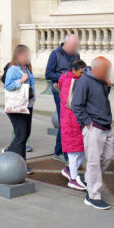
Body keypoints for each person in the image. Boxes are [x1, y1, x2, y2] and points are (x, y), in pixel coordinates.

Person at [72, 56, 114, 210]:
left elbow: (99, 100)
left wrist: (107, 87)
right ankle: (93, 196)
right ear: (95, 69)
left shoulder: (101, 80)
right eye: (105, 71)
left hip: (105, 125)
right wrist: (87, 122)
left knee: (108, 156)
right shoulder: (84, 81)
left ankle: (87, 178)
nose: (108, 73)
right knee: (94, 162)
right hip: (94, 126)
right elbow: (76, 104)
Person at [45, 33, 79, 161]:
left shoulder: (76, 55)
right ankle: (63, 152)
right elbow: (48, 74)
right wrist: (64, 77)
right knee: (64, 120)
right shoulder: (55, 54)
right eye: (72, 45)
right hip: (59, 90)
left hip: (73, 89)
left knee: (69, 121)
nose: (74, 47)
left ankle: (60, 150)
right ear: (65, 43)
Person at [58, 59, 88, 191]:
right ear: (73, 70)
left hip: (74, 119)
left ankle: (70, 170)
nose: (83, 74)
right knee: (74, 151)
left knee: (80, 149)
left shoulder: (71, 79)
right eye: (81, 72)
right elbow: (71, 102)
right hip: (71, 120)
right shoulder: (69, 81)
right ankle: (73, 178)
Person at [3, 45, 36, 162]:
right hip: (17, 106)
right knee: (21, 135)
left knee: (26, 133)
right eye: (25, 55)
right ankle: (21, 163)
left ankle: (10, 151)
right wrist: (21, 81)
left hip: (28, 105)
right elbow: (8, 86)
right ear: (18, 55)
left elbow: (31, 84)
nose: (27, 57)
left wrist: (34, 97)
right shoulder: (13, 69)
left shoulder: (27, 68)